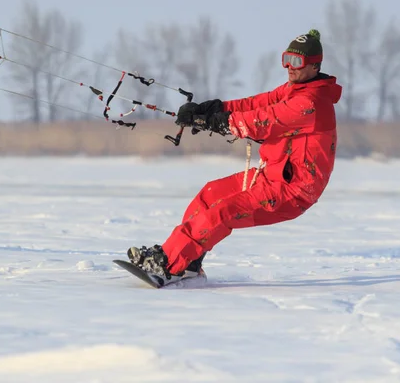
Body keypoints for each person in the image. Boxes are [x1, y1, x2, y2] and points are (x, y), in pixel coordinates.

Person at [126, 29, 342, 285]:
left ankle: (169, 265)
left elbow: (261, 121)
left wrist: (216, 122)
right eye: (285, 59)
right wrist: (214, 108)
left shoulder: (311, 103)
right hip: (270, 177)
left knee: (222, 212)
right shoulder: (292, 91)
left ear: (315, 65)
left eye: (296, 62)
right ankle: (187, 263)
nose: (289, 67)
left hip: (292, 191)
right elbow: (254, 105)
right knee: (209, 195)